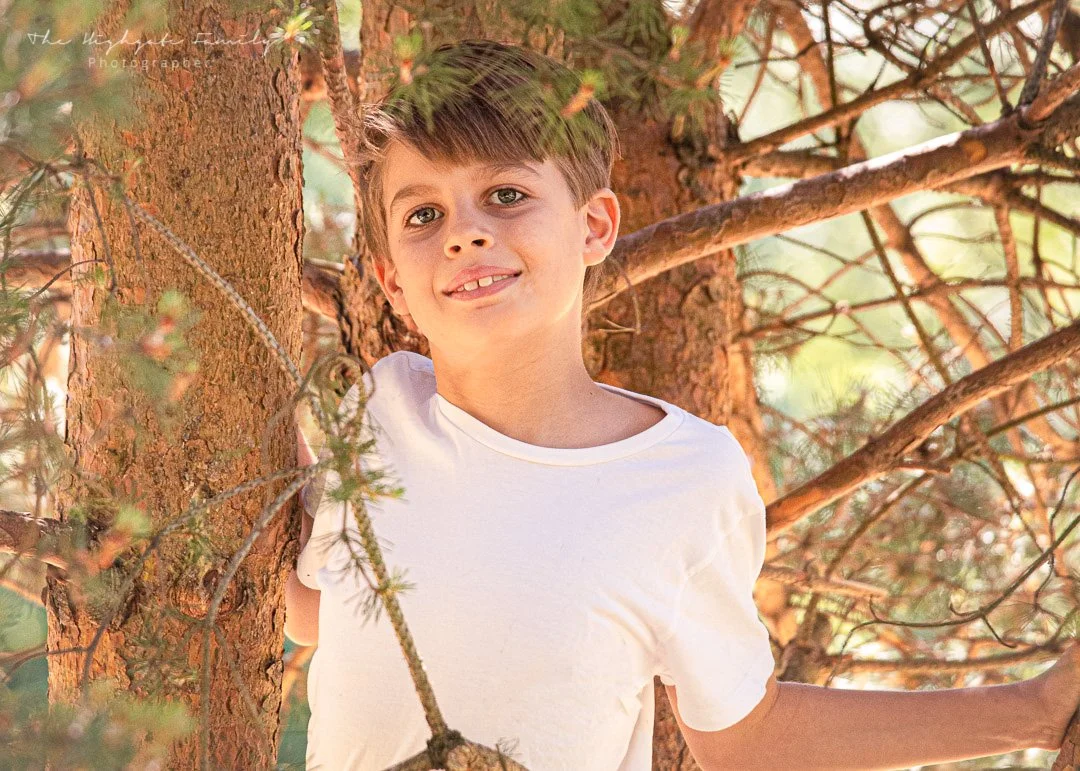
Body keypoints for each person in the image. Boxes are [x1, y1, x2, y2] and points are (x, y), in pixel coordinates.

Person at [284, 39, 1080, 771]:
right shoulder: (380, 416)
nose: (464, 234)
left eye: (505, 193)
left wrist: (1032, 710)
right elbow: (325, 611)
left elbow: (747, 736)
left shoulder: (682, 480)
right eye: (423, 214)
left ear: (594, 225)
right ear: (391, 277)